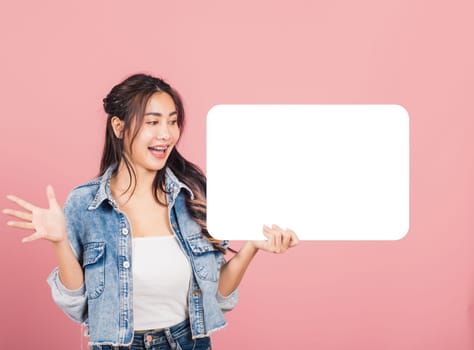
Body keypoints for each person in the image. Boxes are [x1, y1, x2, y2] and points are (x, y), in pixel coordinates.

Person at [3, 73, 299, 349]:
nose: (166, 134)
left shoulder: (193, 198)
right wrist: (59, 242)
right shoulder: (86, 204)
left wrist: (252, 247)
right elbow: (76, 306)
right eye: (153, 122)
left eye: (172, 122)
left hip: (188, 342)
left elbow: (217, 298)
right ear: (119, 127)